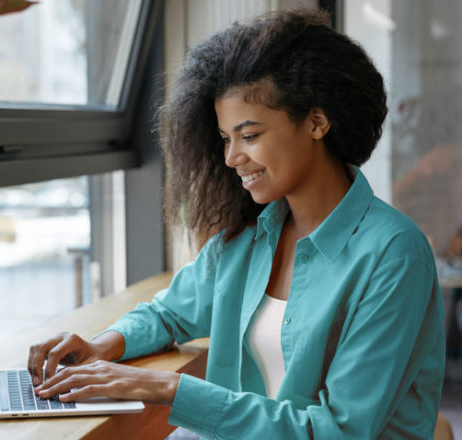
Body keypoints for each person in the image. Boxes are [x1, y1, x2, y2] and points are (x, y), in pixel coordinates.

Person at [27, 9, 445, 439]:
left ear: (317, 122)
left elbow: (340, 430)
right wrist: (104, 344)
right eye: (226, 139)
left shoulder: (394, 254)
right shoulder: (249, 236)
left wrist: (171, 388)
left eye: (250, 135)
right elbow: (171, 312)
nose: (231, 158)